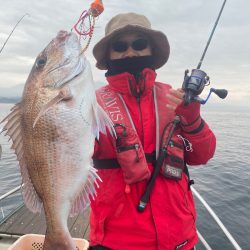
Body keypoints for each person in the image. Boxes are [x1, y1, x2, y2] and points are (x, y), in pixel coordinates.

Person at [89, 12, 216, 250]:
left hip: (179, 237)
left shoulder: (174, 98)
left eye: (139, 44)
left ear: (151, 50)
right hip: (115, 241)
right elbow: (71, 153)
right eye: (119, 46)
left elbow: (202, 155)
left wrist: (192, 119)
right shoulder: (91, 104)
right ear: (109, 55)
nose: (130, 52)